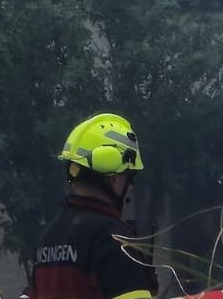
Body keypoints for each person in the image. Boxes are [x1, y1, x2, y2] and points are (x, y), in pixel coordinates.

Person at [28, 112, 157, 299]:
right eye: (129, 178)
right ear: (115, 179)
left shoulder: (49, 237)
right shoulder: (114, 240)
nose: (130, 187)